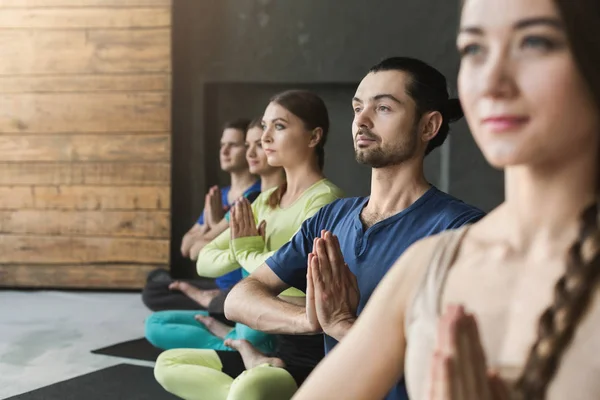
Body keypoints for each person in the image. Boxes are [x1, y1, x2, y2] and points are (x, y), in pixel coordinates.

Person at [292, 0, 600, 399]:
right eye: (474, 49)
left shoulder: (449, 226)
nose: (492, 81)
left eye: (535, 42)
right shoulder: (428, 264)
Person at [225, 57, 485, 400]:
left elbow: (454, 363)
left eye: (384, 108)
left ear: (428, 127)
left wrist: (344, 326)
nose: (361, 120)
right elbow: (239, 297)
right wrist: (312, 319)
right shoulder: (331, 218)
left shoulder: (462, 231)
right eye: (358, 107)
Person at [152, 90, 344, 400]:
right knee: (167, 363)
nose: (266, 137)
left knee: (248, 389)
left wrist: (246, 251)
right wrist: (251, 252)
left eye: (278, 127)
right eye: (264, 126)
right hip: (258, 329)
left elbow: (299, 271)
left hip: (301, 346)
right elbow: (205, 260)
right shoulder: (264, 201)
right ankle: (249, 364)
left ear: (313, 137)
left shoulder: (326, 200)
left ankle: (250, 370)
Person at [142, 118, 261, 316]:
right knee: (154, 284)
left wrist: (212, 224)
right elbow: (186, 248)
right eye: (222, 145)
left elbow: (198, 251)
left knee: (155, 291)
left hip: (236, 286)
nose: (224, 151)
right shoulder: (219, 195)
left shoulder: (254, 195)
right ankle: (210, 305)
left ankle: (215, 307)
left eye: (233, 145)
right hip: (216, 282)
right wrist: (210, 225)